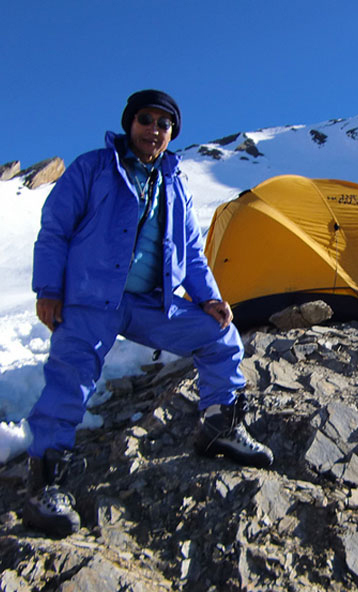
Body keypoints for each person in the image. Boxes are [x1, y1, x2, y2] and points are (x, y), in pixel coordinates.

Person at [25, 89, 273, 538]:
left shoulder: (175, 183)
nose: (153, 129)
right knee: (69, 381)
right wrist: (49, 289)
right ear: (129, 123)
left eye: (164, 124)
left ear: (172, 133)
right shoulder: (93, 168)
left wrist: (208, 297)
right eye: (146, 119)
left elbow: (192, 254)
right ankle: (45, 486)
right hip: (89, 298)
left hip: (147, 303)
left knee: (219, 336)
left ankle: (221, 426)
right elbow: (55, 230)